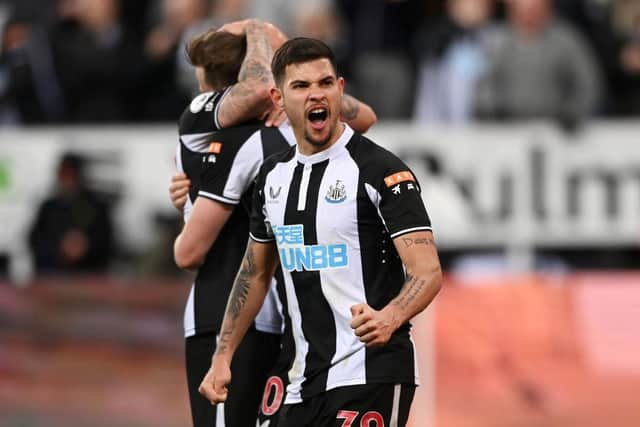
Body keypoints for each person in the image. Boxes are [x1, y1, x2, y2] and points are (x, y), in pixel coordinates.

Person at [198, 37, 442, 427]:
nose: (316, 94)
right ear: (278, 99)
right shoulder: (272, 177)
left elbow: (427, 271)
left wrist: (390, 316)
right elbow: (255, 273)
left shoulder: (380, 171)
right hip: (295, 378)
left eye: (325, 83)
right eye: (301, 86)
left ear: (340, 90)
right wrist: (223, 356)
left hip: (369, 372)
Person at [170, 22, 377, 427]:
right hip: (261, 315)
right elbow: (364, 117)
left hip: (246, 313)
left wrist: (258, 33)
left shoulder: (255, 135)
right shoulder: (235, 131)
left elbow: (187, 252)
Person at [29, 152, 114, 274]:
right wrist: (60, 248)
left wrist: (85, 246)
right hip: (53, 276)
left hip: (88, 276)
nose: (67, 180)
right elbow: (35, 241)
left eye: (71, 175)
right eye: (63, 174)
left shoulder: (97, 207)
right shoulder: (48, 208)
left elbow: (107, 244)